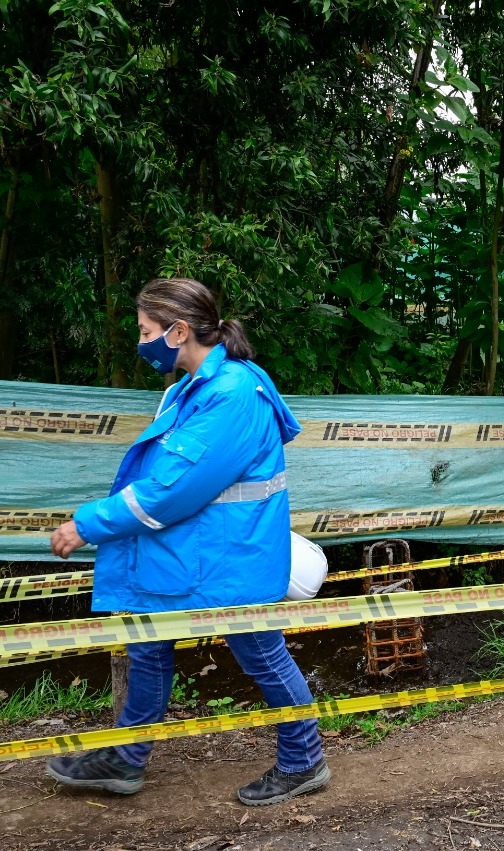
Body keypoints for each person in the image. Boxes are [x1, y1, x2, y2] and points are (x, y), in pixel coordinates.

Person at [45, 278, 329, 806]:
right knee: (148, 648)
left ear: (178, 332)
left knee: (262, 654)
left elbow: (171, 490)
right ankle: (126, 760)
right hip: (186, 556)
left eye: (147, 331)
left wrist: (87, 525)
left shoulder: (232, 394)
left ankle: (303, 759)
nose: (141, 341)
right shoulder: (189, 387)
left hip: (226, 559)